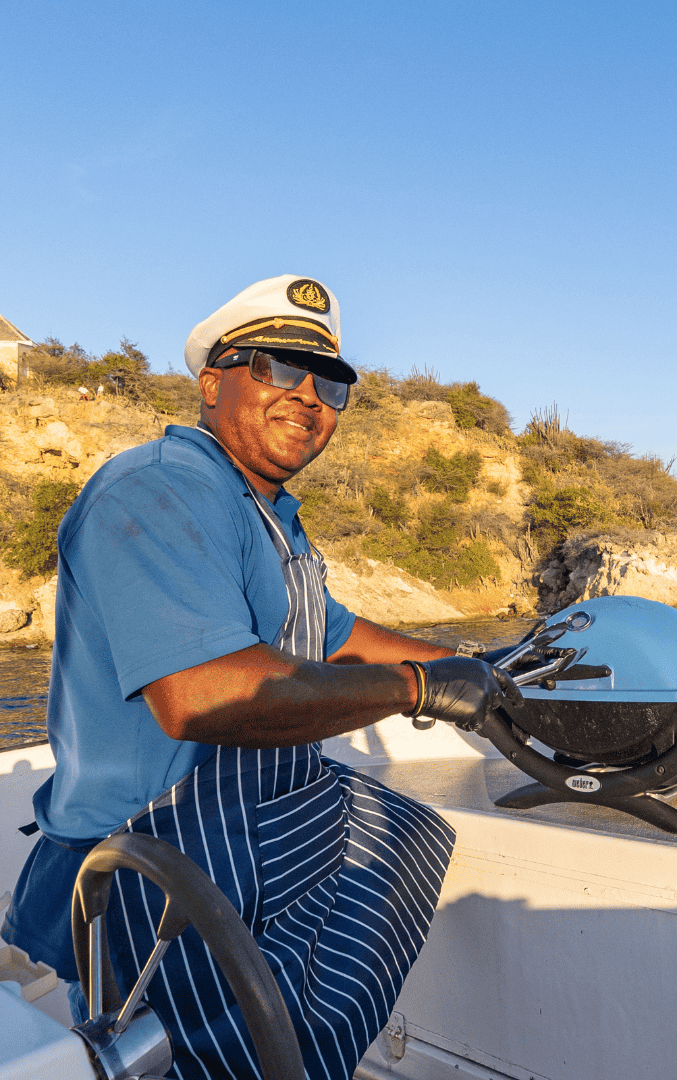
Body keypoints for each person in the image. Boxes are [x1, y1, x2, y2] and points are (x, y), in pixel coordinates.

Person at [2, 275, 520, 1080]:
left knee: (408, 839)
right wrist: (423, 688)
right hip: (156, 859)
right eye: (277, 368)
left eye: (330, 382)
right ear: (213, 382)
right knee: (221, 1059)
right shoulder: (161, 488)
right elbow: (204, 692)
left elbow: (339, 637)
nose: (308, 396)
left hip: (255, 825)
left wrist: (481, 667)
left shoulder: (267, 512)